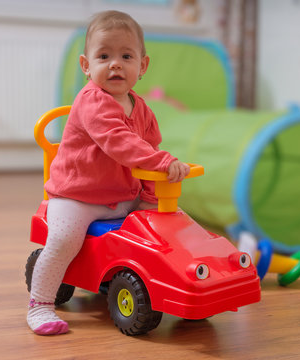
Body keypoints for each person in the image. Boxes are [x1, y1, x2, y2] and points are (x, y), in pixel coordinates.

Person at [27, 10, 190, 335]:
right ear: (86, 66)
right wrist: (161, 161)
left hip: (124, 194)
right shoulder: (93, 101)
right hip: (77, 195)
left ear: (142, 66)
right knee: (62, 240)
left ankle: (186, 283)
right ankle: (41, 304)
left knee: (173, 227)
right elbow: (121, 143)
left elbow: (148, 151)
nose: (115, 63)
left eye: (126, 55)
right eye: (104, 56)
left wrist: (151, 193)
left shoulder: (142, 108)